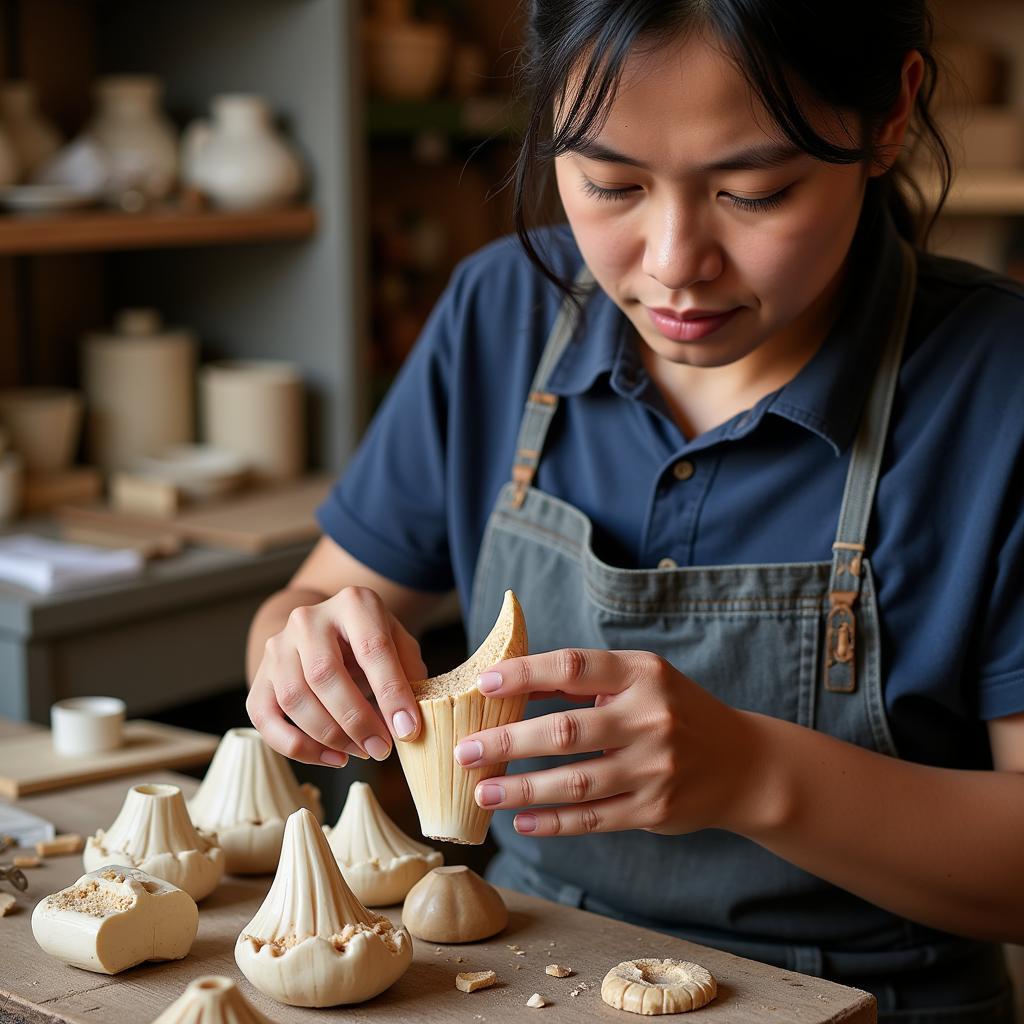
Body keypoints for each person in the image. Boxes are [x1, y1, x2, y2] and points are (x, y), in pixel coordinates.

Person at [245, 2, 1024, 1019]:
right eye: (609, 183)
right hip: (522, 975)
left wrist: (753, 773)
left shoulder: (996, 387)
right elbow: (308, 599)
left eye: (754, 191)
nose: (672, 263)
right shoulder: (501, 314)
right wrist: (297, 661)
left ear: (890, 114)